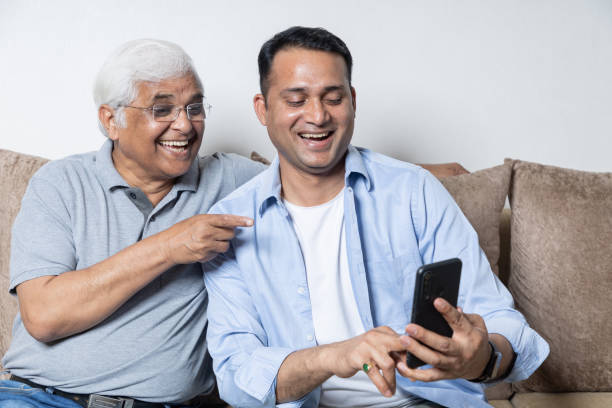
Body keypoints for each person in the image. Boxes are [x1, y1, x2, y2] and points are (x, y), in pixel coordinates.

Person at [202, 26, 550, 408]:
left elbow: (500, 319)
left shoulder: (413, 190)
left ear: (352, 100)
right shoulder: (228, 223)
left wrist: (482, 359)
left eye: (333, 98)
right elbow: (237, 376)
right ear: (262, 109)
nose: (317, 116)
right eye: (296, 100)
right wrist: (335, 355)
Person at [0, 39, 265, 407]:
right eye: (163, 110)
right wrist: (170, 246)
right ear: (112, 121)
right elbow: (44, 315)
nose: (185, 125)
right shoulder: (59, 183)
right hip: (38, 398)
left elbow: (318, 178)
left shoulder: (233, 180)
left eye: (194, 107)